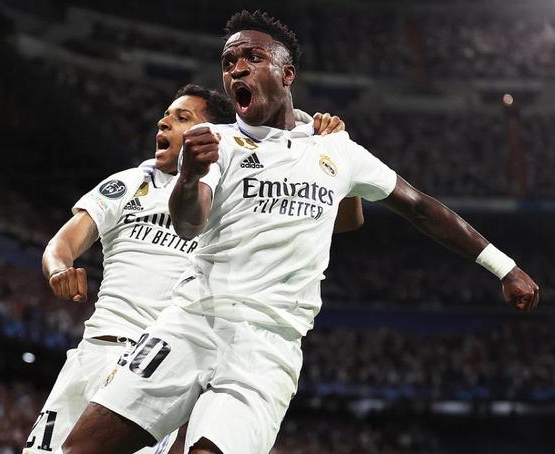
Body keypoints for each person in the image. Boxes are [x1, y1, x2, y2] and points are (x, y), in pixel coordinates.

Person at [62, 10, 539, 454]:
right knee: (80, 449)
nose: (237, 69)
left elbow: (419, 207)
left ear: (287, 74)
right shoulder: (218, 143)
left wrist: (504, 267)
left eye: (253, 57)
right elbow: (189, 222)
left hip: (266, 345)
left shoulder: (336, 149)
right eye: (228, 62)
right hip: (189, 324)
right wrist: (188, 177)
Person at [25, 83, 360, 453]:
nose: (163, 123)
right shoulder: (129, 183)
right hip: (93, 351)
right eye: (165, 116)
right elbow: (62, 244)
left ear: (214, 134)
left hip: (157, 363)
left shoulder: (237, 192)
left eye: (182, 117)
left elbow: (344, 220)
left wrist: (332, 151)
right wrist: (59, 269)